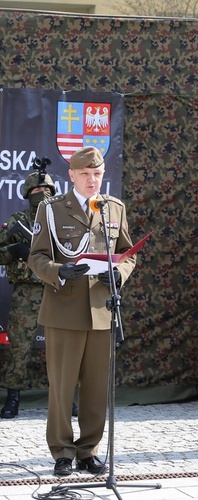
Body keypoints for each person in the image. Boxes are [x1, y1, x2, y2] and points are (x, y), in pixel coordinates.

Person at [29, 146, 136, 476]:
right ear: (72, 176)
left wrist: (118, 273)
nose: (92, 180)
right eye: (85, 174)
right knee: (61, 387)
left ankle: (87, 450)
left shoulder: (113, 209)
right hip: (64, 309)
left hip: (102, 310)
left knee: (95, 387)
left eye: (98, 174)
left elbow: (127, 254)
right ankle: (62, 451)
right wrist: (59, 271)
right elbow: (37, 257)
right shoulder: (51, 210)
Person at [0, 170, 56, 418]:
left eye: (46, 190)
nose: (41, 194)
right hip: (26, 293)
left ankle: (65, 398)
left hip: (56, 290)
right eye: (36, 190)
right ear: (27, 193)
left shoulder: (61, 219)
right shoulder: (16, 221)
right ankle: (13, 397)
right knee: (19, 347)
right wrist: (13, 250)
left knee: (61, 347)